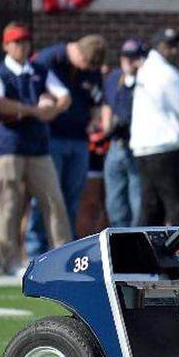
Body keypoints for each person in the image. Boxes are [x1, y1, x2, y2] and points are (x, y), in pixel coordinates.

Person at [0, 23, 73, 275]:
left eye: (25, 41)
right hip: (7, 148)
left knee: (53, 201)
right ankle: (10, 262)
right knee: (7, 206)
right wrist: (36, 110)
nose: (22, 46)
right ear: (5, 45)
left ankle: (63, 259)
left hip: (38, 147)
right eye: (16, 42)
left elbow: (64, 96)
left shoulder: (40, 70)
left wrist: (52, 110)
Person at [26, 34, 107, 256]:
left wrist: (94, 119)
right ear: (79, 53)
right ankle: (36, 249)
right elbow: (32, 92)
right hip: (51, 137)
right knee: (46, 195)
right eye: (87, 64)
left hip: (79, 138)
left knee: (72, 196)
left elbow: (96, 102)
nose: (87, 69)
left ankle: (63, 251)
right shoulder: (48, 60)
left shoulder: (91, 69)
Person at [130, 27, 179, 226]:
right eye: (169, 46)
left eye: (175, 45)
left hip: (144, 149)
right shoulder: (165, 72)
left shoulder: (146, 70)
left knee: (151, 208)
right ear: (158, 46)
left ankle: (144, 254)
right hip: (167, 149)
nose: (174, 50)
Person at [101, 38, 146, 228]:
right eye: (125, 57)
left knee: (137, 201)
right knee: (115, 201)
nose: (129, 61)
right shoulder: (114, 78)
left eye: (133, 57)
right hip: (117, 145)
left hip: (138, 147)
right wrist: (107, 126)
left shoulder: (146, 80)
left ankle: (135, 241)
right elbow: (107, 104)